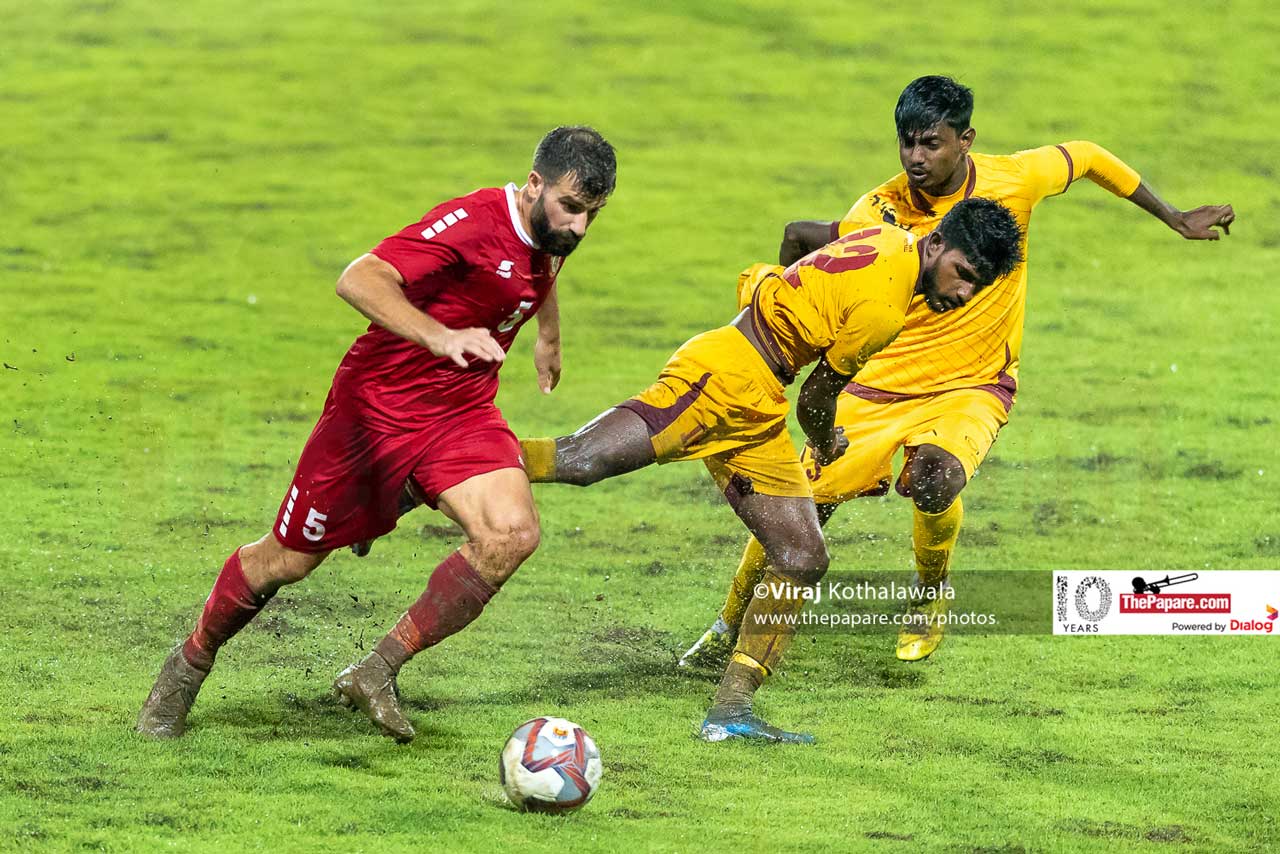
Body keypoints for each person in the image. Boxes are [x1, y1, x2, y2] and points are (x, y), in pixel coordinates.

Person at [679, 75, 1235, 668]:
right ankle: (728, 623)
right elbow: (809, 256)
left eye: (931, 144)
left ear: (965, 139)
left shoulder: (1013, 181)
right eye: (906, 143)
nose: (916, 158)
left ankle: (928, 594)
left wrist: (1174, 217)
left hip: (971, 385)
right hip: (875, 386)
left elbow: (1092, 157)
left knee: (937, 477)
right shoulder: (877, 212)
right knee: (800, 510)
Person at [136, 126, 617, 742]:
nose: (578, 228)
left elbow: (540, 266)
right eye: (571, 209)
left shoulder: (548, 231)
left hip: (462, 412)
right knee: (287, 561)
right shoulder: (469, 223)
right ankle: (190, 662)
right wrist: (440, 337)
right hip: (374, 414)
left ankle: (377, 670)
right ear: (533, 185)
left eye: (591, 215)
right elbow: (358, 278)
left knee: (512, 534)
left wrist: (549, 338)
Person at [520, 198, 1024, 742]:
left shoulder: (885, 239)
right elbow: (816, 398)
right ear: (938, 243)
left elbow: (799, 239)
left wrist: (782, 302)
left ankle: (729, 712)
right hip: (722, 378)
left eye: (979, 286)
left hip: (755, 401)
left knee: (802, 555)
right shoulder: (885, 309)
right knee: (580, 460)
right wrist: (827, 439)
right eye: (964, 275)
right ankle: (448, 457)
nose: (963, 294)